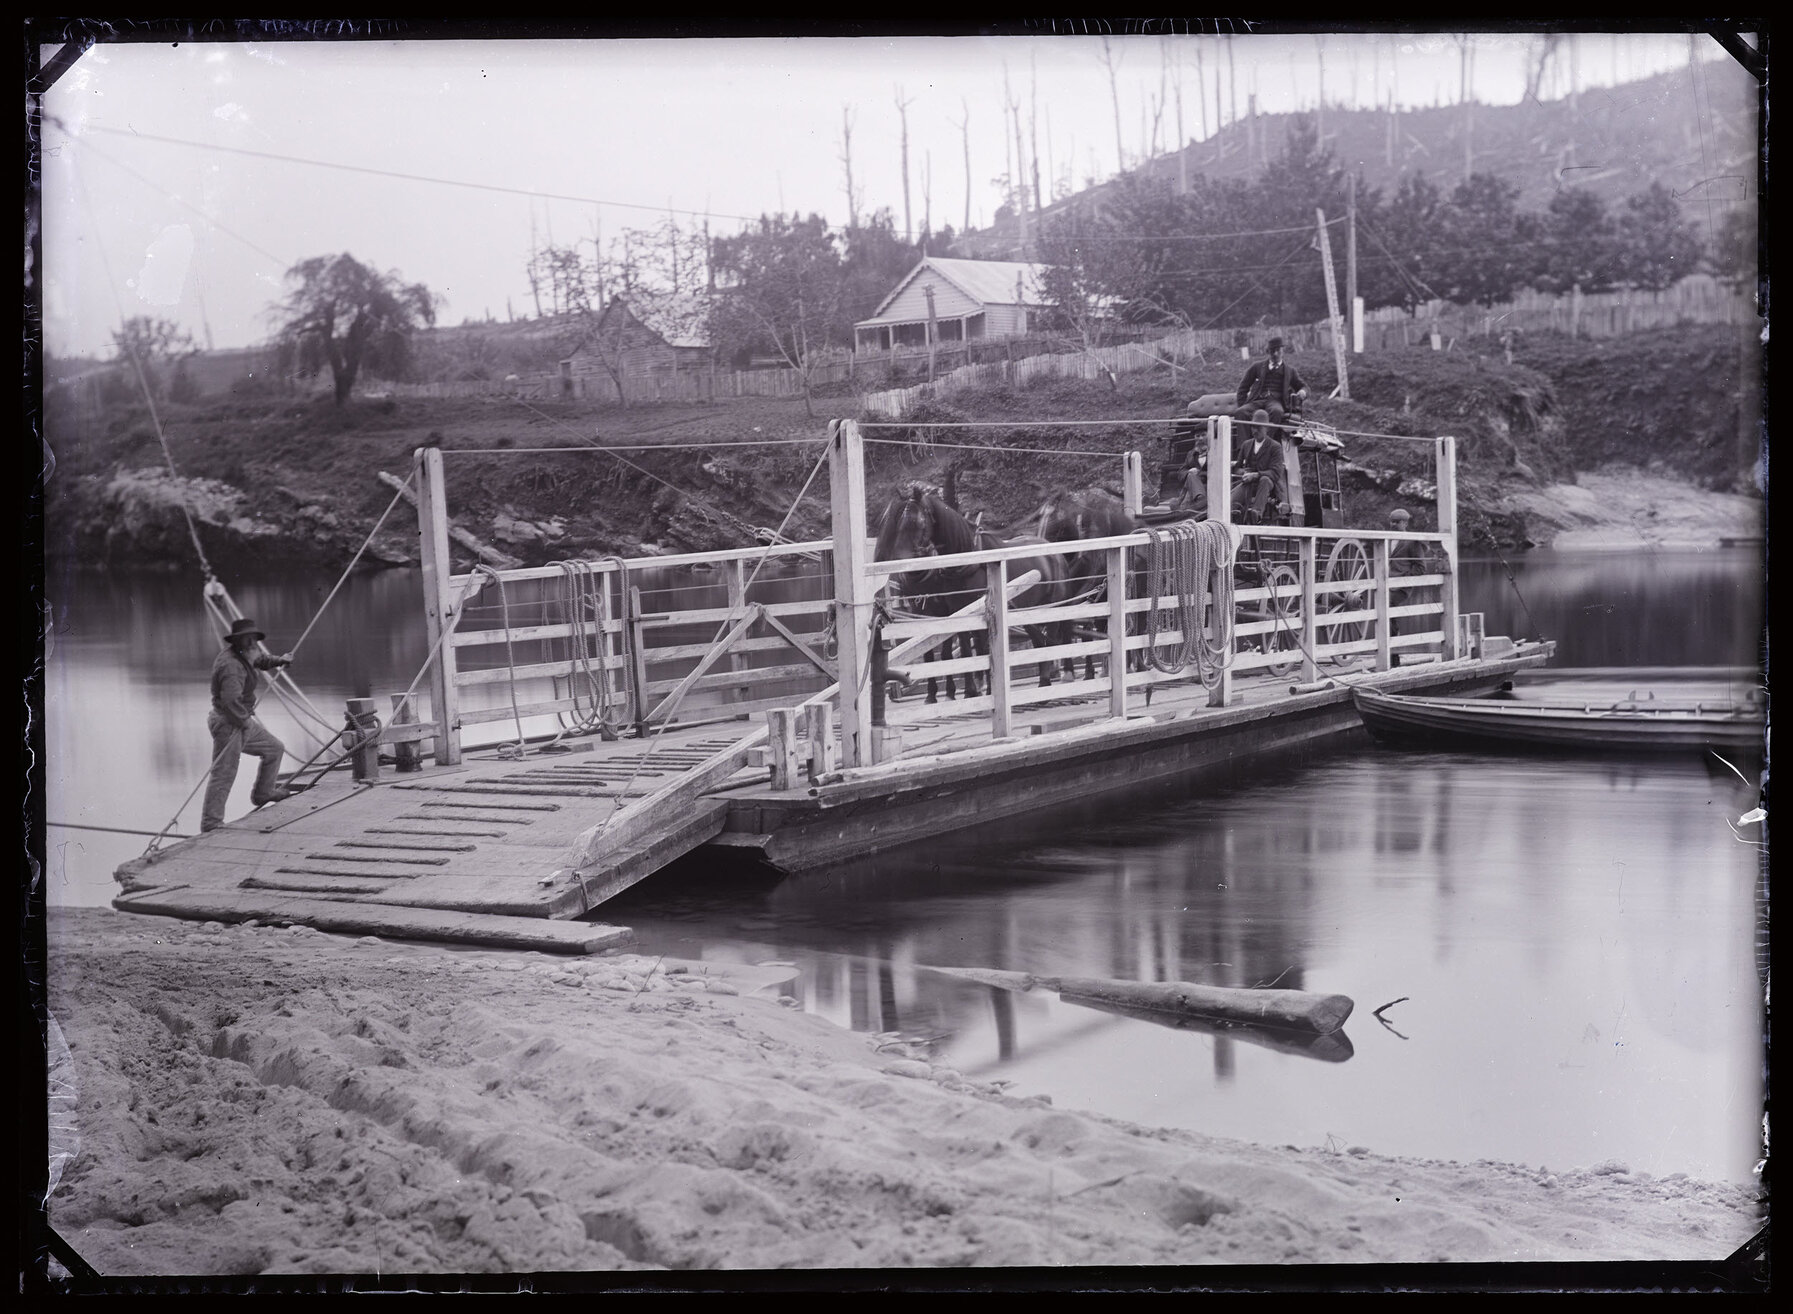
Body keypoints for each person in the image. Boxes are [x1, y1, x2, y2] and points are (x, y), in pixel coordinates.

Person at [202, 618, 297, 833]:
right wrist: (244, 721)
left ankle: (264, 793)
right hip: (228, 722)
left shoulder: (247, 653)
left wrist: (279, 660)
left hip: (241, 719)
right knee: (224, 771)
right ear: (237, 641)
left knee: (274, 748)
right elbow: (229, 701)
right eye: (248, 638)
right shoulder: (230, 665)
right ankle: (211, 822)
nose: (252, 642)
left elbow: (261, 660)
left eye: (254, 638)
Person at [1234, 336, 1307, 433]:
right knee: (1241, 412)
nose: (1275, 354)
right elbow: (1243, 387)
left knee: (1277, 412)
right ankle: (1245, 446)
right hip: (1256, 401)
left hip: (1275, 402)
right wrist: (1243, 404)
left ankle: (1267, 444)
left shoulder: (1290, 371)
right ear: (1268, 352)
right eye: (1272, 351)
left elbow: (1304, 387)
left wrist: (1303, 391)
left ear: (1282, 351)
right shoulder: (1257, 367)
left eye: (1278, 350)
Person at [1230, 410, 1289, 523]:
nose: (1255, 431)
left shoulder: (1275, 447)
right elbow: (1237, 468)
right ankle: (1232, 514)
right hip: (1248, 483)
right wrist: (1244, 473)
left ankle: (1256, 514)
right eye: (1253, 427)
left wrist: (1256, 474)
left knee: (1265, 479)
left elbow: (1276, 472)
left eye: (1259, 428)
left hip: (1268, 486)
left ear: (1267, 429)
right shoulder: (1246, 445)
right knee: (1230, 502)